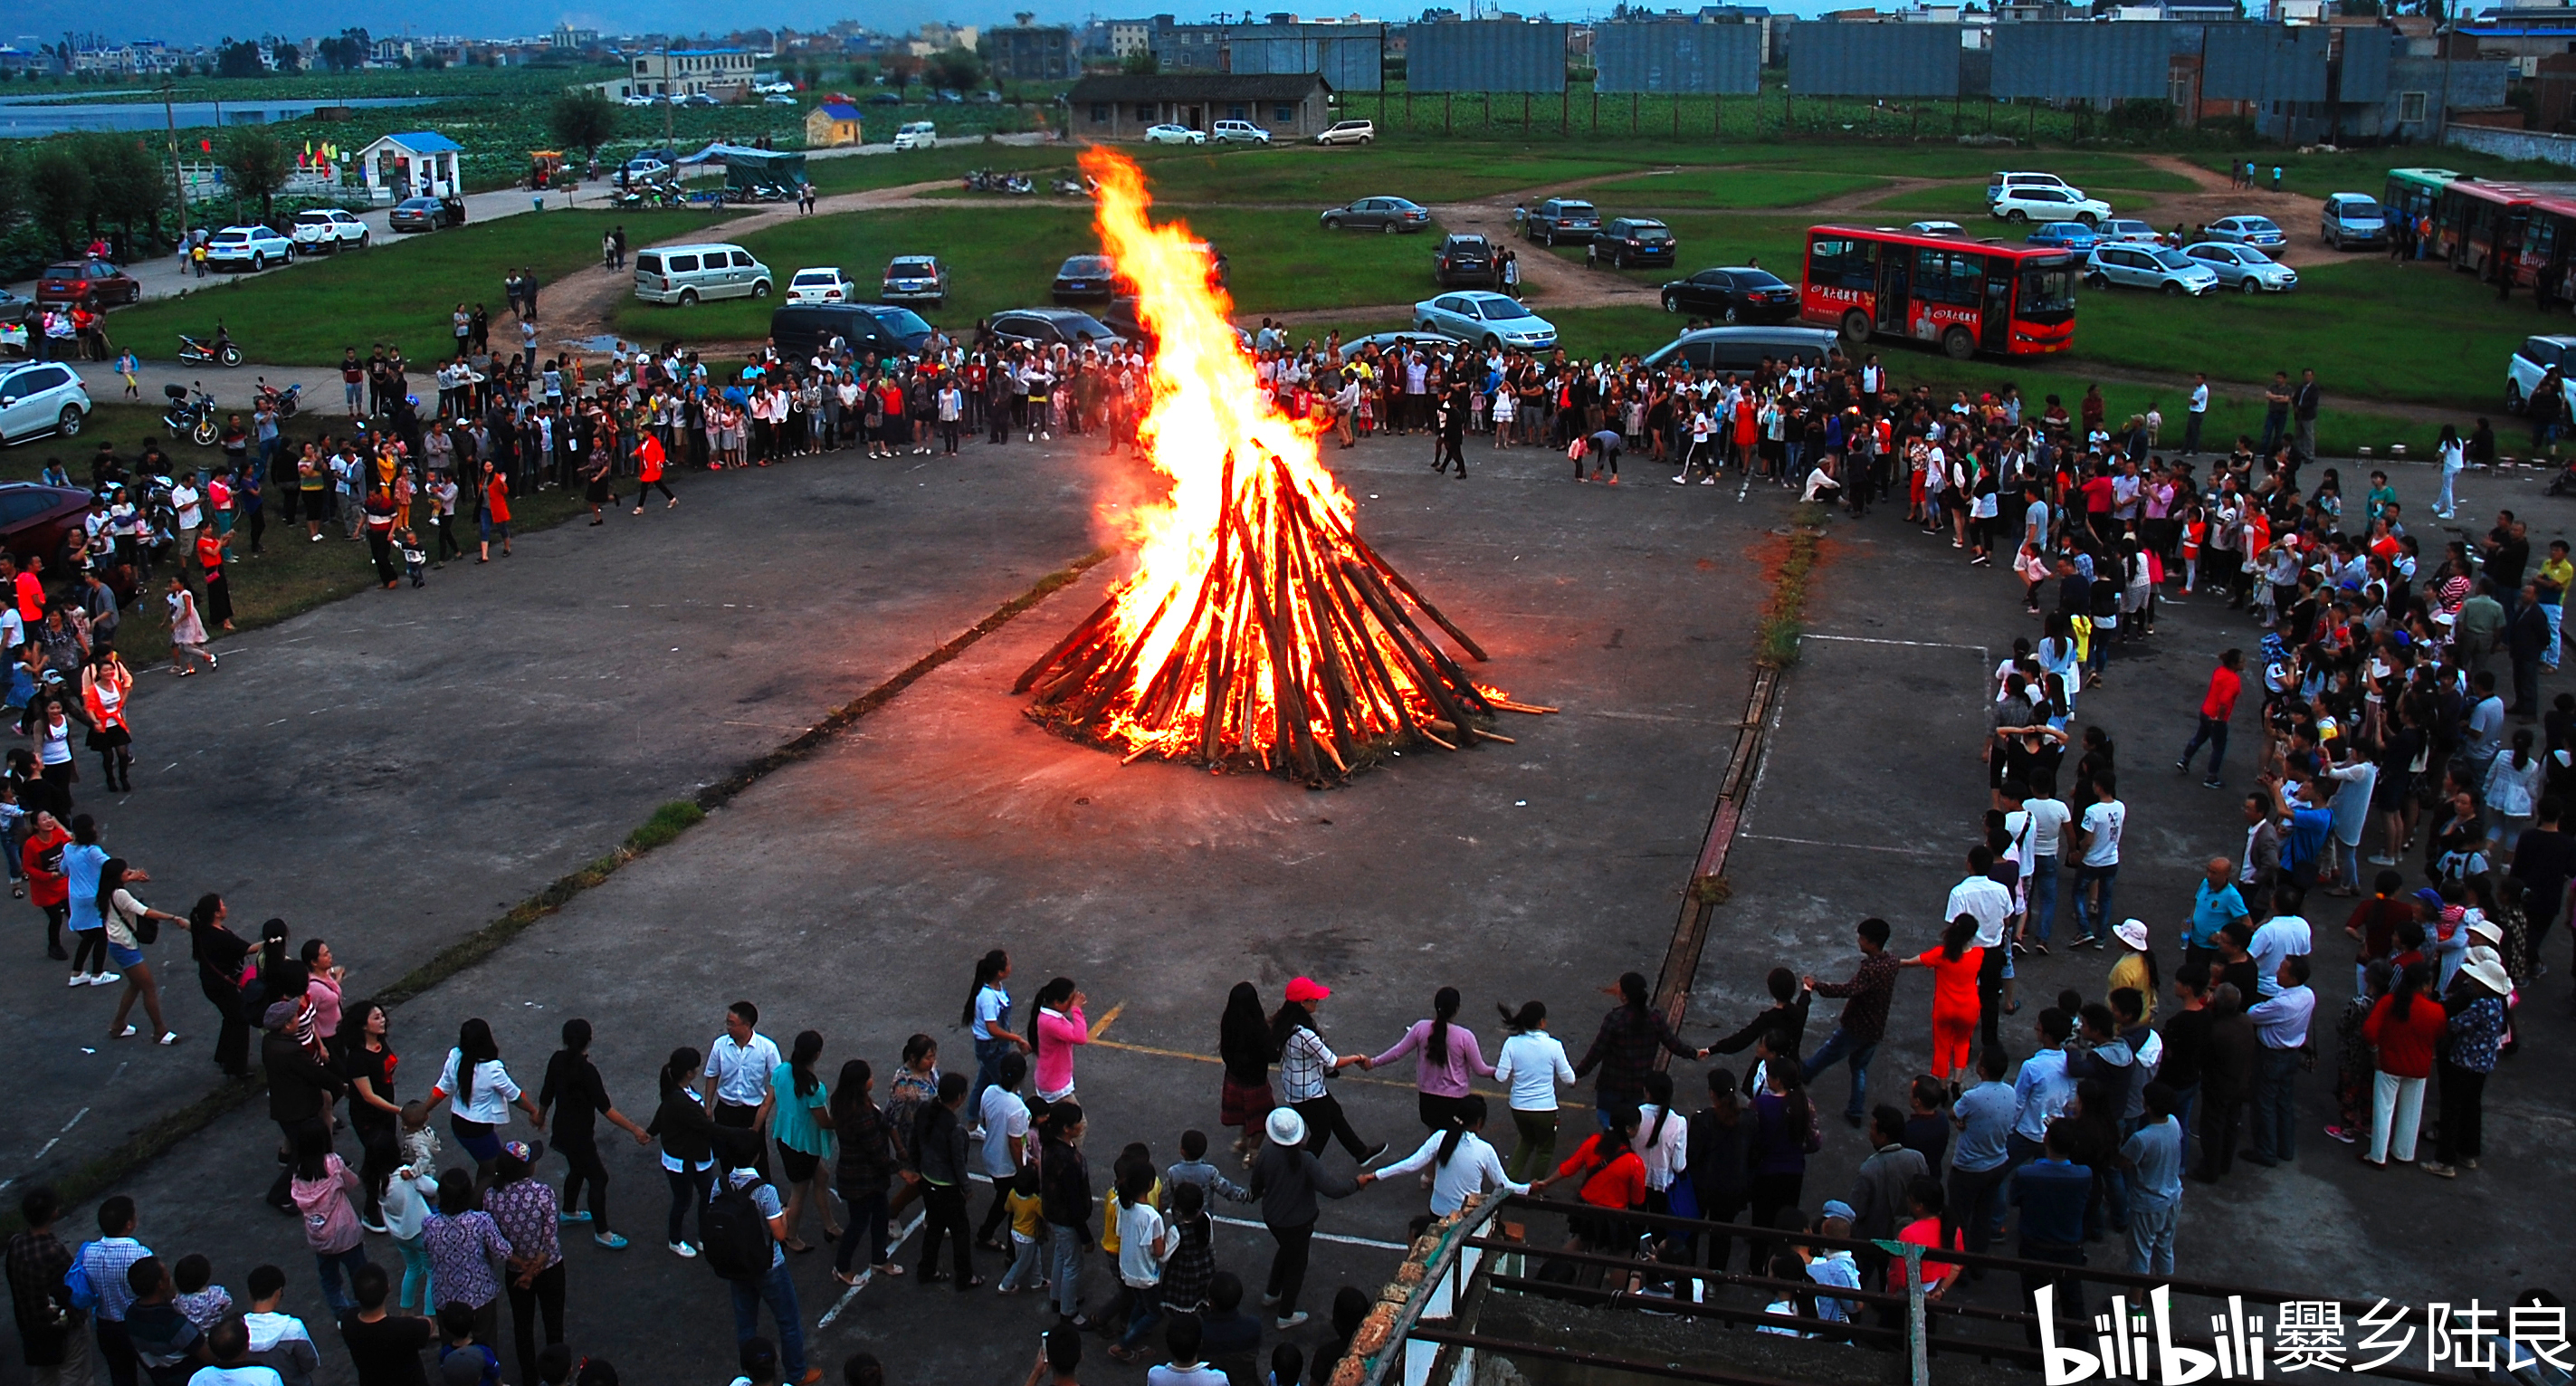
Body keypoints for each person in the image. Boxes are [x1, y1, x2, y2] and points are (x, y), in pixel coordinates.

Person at [710, 1133, 824, 1385]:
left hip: (736, 1263)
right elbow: (780, 1234)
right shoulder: (765, 1191)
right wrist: (784, 1213)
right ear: (757, 1156)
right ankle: (796, 1373)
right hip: (768, 1265)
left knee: (746, 1322)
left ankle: (751, 1373)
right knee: (788, 1320)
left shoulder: (720, 1184)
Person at [536, 1018, 651, 1252]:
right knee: (598, 1178)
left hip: (563, 1130)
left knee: (577, 1169)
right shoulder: (587, 1071)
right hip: (580, 1136)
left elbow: (547, 1092)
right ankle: (603, 1233)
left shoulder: (557, 1060)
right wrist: (635, 1129)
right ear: (589, 1041)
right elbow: (606, 1109)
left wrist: (540, 1115)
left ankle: (569, 1211)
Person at [1245, 1107, 1362, 1331]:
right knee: (1296, 1266)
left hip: (1273, 1217)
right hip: (1298, 1223)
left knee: (1285, 1251)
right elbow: (1332, 1189)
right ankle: (1285, 1313)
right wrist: (1356, 1184)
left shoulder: (1267, 1154)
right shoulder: (1306, 1160)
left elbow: (1256, 1184)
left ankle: (1272, 1292)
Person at [1802, 917, 1898, 1128]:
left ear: (1872, 943)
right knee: (1859, 1068)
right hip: (1876, 1027)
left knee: (1830, 1051)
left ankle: (1805, 1073)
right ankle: (1855, 1109)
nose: (1859, 942)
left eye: (1862, 939)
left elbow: (1847, 990)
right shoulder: (1891, 962)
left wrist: (1816, 986)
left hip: (1857, 1026)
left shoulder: (1870, 970)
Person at [1270, 979, 1375, 1162]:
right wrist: (1357, 1058)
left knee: (1334, 1112)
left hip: (1298, 1086)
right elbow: (1333, 1062)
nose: (1317, 1002)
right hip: (1308, 1091)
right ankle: (1301, 1171)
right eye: (1314, 1000)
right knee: (1321, 1132)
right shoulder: (1305, 1035)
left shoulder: (1285, 1024)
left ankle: (1360, 1152)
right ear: (1303, 1003)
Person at [2361, 961, 2444, 1168]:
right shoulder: (2436, 1011)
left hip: (2388, 1063)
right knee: (2411, 1112)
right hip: (2418, 1067)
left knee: (2383, 1110)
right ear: (2426, 985)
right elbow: (2441, 1037)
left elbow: (2369, 1031)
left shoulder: (2389, 1002)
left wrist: (2376, 1052)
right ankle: (2404, 1152)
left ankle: (2377, 1154)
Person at [5, 1186, 91, 1386]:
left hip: (32, 1328)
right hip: (62, 1327)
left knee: (45, 1377)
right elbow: (75, 1289)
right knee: (76, 1376)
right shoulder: (54, 1251)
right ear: (54, 1213)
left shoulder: (15, 1244)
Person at [2243, 956, 2316, 1167]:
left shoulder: (2282, 1004)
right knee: (2284, 1101)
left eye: (2282, 970)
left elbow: (2252, 1014)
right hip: (2291, 1054)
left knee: (2264, 1103)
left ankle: (2266, 1150)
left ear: (2292, 978)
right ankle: (2285, 1147)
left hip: (2271, 1056)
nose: (2277, 972)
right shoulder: (2307, 995)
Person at [1492, 999, 1575, 1180]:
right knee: (1545, 1149)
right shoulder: (1554, 1046)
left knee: (1526, 1140)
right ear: (1542, 1022)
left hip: (1519, 1107)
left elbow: (1500, 1076)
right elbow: (1569, 1078)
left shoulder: (1512, 1043)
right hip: (1545, 1109)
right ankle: (1535, 1189)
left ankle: (1509, 1182)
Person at [1899, 915, 1985, 1079]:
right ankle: (1957, 1080)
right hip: (1968, 1008)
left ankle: (1942, 1084)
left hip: (1944, 1007)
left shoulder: (1940, 954)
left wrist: (1893, 962)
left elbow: (1911, 962)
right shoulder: (1978, 954)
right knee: (1962, 1043)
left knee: (1942, 1046)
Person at [338, 1263, 435, 1386]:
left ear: (356, 1295)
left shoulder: (348, 1321)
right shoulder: (405, 1329)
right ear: (388, 1289)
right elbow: (428, 1325)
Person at [2177, 649, 2243, 789]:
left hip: (2205, 711)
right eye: (2241, 661)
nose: (2244, 664)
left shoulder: (2219, 671)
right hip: (2216, 718)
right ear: (2234, 664)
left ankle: (2185, 760)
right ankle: (2211, 777)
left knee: (2199, 737)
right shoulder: (2233, 680)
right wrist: (2219, 717)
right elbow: (2224, 701)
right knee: (2219, 748)